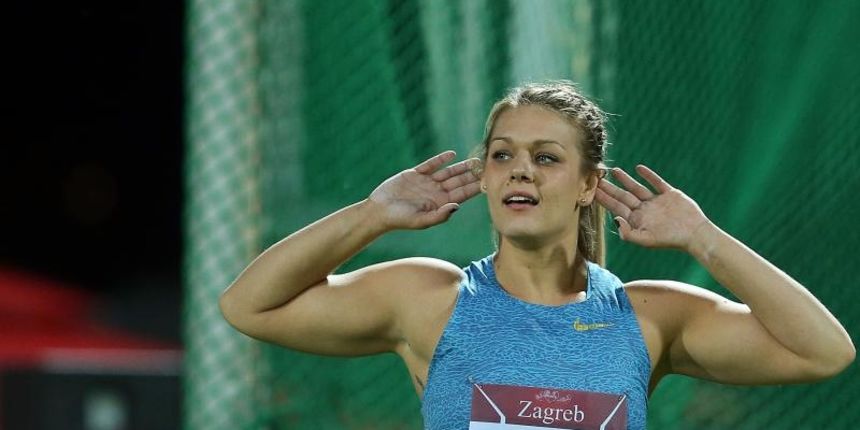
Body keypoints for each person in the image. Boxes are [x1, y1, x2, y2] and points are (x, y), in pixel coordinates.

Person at [219, 81, 854, 429]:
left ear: (588, 185)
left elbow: (823, 351)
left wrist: (703, 238)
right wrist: (371, 215)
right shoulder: (431, 300)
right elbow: (248, 306)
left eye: (546, 158)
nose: (520, 170)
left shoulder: (649, 317)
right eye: (503, 154)